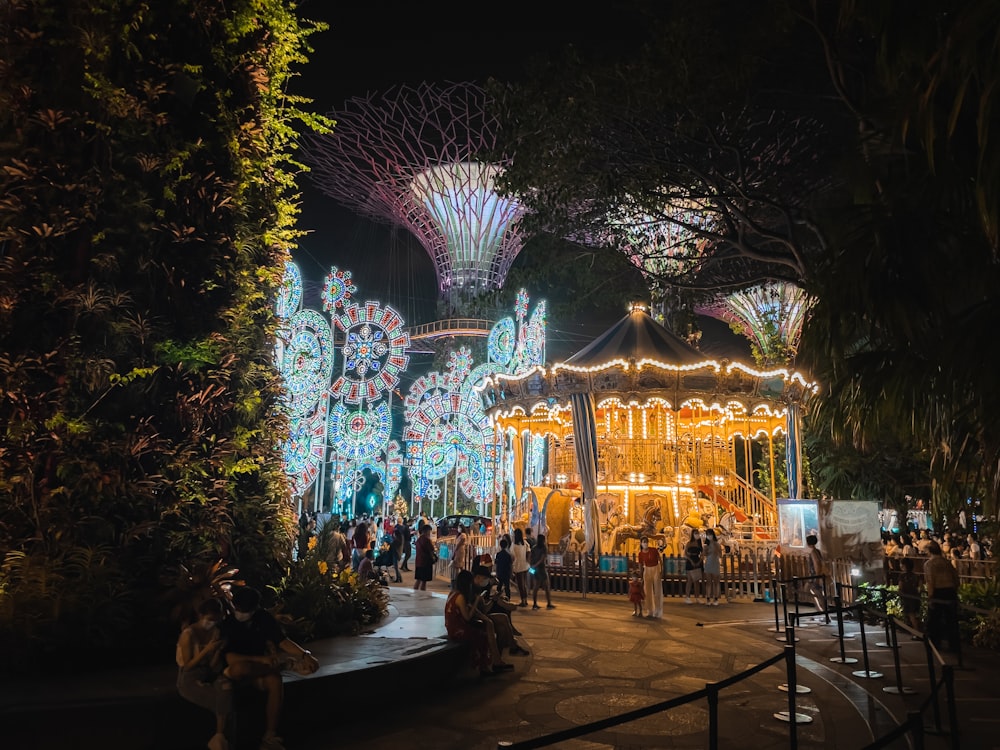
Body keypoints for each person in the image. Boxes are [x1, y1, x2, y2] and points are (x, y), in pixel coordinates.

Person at [221, 587, 319, 750]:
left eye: (244, 610)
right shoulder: (228, 623)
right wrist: (262, 659)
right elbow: (230, 658)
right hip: (236, 669)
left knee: (274, 681)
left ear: (254, 609)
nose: (240, 613)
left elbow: (282, 641)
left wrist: (305, 655)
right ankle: (283, 666)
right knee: (242, 668)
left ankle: (270, 736)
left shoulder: (263, 618)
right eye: (237, 608)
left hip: (260, 669)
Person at [176, 598, 231, 750]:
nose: (212, 622)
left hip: (207, 673)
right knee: (223, 703)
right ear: (201, 616)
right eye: (210, 619)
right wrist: (207, 650)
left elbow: (212, 667)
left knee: (226, 687)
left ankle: (219, 737)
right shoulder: (189, 634)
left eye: (216, 619)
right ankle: (220, 741)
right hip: (189, 677)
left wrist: (217, 650)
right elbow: (187, 666)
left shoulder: (216, 632)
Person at [444, 570, 514, 677]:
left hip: (457, 625)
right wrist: (477, 601)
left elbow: (476, 611)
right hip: (458, 629)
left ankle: (496, 660)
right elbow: (467, 617)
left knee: (494, 623)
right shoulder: (460, 597)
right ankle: (487, 665)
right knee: (483, 633)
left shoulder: (454, 593)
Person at [472, 564, 529, 656]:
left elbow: (484, 608)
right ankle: (512, 646)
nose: (486, 580)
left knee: (503, 617)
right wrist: (493, 600)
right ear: (478, 577)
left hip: (482, 614)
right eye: (485, 578)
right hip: (478, 618)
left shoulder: (479, 587)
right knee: (503, 617)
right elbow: (480, 611)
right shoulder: (474, 590)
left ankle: (501, 655)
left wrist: (493, 599)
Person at [924, 540, 961, 652]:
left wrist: (930, 597)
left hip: (938, 592)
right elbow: (956, 577)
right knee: (952, 620)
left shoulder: (929, 564)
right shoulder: (946, 562)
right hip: (950, 591)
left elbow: (930, 581)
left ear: (929, 551)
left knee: (934, 619)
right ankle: (954, 645)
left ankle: (935, 644)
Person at [637, 535, 664, 618]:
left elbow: (659, 559)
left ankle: (658, 610)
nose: (645, 543)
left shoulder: (653, 550)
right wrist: (641, 575)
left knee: (657, 590)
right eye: (644, 542)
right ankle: (650, 610)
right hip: (647, 570)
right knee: (647, 591)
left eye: (646, 542)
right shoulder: (640, 554)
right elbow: (640, 565)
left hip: (655, 568)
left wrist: (661, 570)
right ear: (641, 543)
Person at [805, 534, 830, 622]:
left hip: (815, 576)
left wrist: (817, 577)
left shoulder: (813, 553)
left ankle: (824, 613)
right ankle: (821, 610)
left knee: (819, 594)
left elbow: (817, 565)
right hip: (816, 576)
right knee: (814, 592)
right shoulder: (817, 551)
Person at [897, 557, 922, 634]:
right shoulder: (916, 576)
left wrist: (900, 593)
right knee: (914, 614)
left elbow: (900, 587)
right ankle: (914, 630)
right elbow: (921, 587)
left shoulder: (902, 576)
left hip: (907, 597)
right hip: (915, 596)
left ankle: (916, 632)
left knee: (911, 615)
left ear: (904, 566)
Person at [529, 533, 554, 610]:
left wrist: (532, 565)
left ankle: (535, 603)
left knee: (536, 587)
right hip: (541, 568)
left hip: (534, 568)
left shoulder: (534, 548)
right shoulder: (544, 548)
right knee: (546, 586)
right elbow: (542, 559)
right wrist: (536, 564)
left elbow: (530, 557)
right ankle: (549, 603)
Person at [413, 522, 437, 591]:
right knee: (424, 582)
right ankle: (422, 594)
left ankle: (415, 592)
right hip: (425, 562)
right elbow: (431, 549)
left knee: (418, 580)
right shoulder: (427, 540)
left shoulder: (419, 540)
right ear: (427, 531)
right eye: (430, 531)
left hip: (419, 562)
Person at [703, 528, 722, 606]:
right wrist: (706, 550)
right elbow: (704, 554)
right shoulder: (706, 545)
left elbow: (720, 554)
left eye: (710, 534)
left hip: (715, 562)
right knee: (708, 582)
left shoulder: (717, 544)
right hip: (708, 563)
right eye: (707, 535)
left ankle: (716, 598)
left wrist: (716, 550)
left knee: (716, 582)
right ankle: (708, 598)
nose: (709, 536)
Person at [683, 535, 704, 604]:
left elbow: (702, 554)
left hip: (697, 560)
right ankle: (687, 597)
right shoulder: (689, 543)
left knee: (697, 580)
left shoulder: (699, 543)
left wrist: (700, 561)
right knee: (689, 580)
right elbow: (685, 553)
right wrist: (690, 560)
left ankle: (697, 597)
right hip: (690, 560)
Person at [495, 536, 514, 601]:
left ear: (500, 545)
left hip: (500, 572)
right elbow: (510, 564)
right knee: (507, 586)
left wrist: (496, 572)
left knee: (499, 586)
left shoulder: (498, 554)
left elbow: (496, 564)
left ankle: (497, 598)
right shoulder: (508, 555)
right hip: (506, 572)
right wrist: (511, 573)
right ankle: (508, 598)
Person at [451, 523, 468, 589]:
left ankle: (458, 579)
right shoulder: (459, 535)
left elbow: (460, 543)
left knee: (458, 565)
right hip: (458, 550)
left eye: (459, 528)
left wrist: (455, 549)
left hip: (460, 551)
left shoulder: (463, 535)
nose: (458, 529)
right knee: (459, 565)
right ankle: (461, 577)